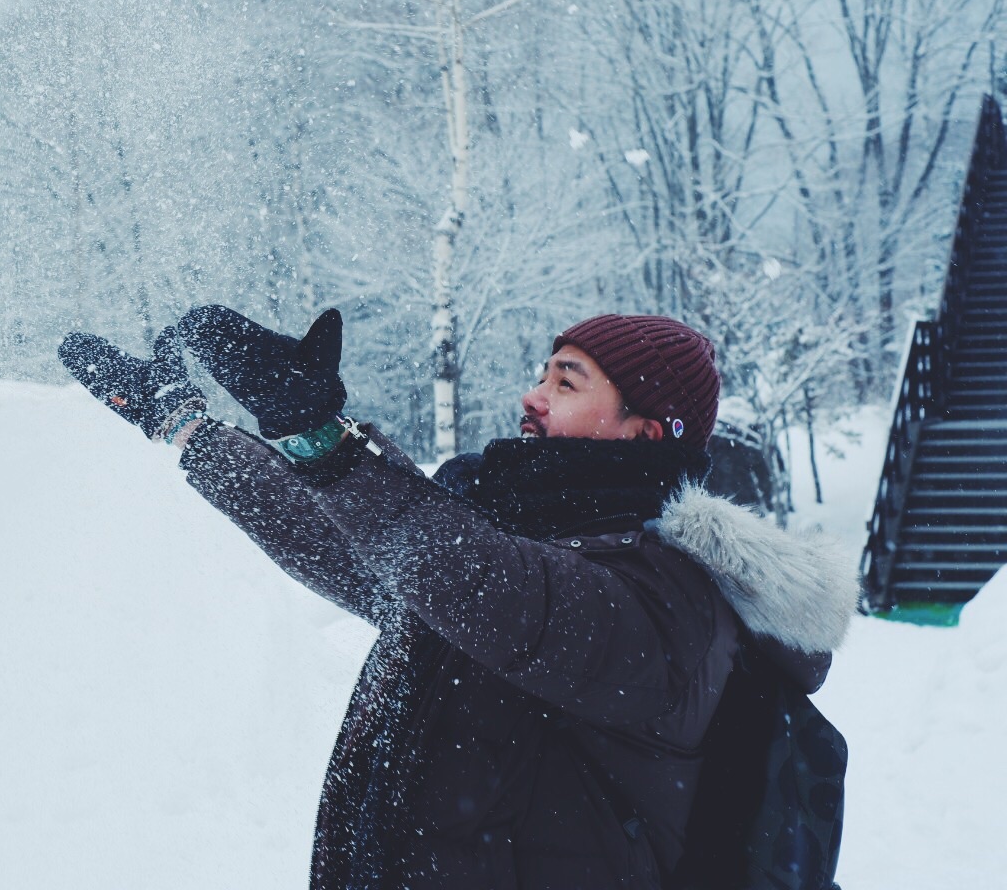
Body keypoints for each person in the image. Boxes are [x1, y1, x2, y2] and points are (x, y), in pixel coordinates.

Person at [58, 308, 855, 890]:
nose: (531, 397)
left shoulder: (670, 600)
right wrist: (186, 425)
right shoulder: (507, 547)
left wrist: (322, 437)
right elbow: (342, 536)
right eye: (542, 373)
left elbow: (490, 588)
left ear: (647, 433)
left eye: (566, 381)